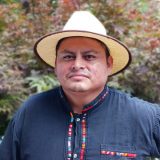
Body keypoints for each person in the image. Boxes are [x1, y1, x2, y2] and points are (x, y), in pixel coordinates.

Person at [0, 11, 160, 160]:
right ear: (56, 64)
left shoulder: (144, 117)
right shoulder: (31, 112)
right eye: (68, 56)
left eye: (89, 56)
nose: (77, 64)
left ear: (109, 64)